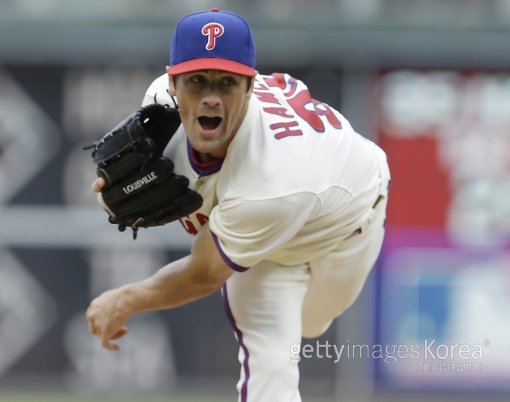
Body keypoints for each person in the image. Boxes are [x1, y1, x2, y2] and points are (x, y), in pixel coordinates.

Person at [86, 8, 390, 402]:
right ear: (172, 82)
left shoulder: (272, 180)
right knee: (271, 371)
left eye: (226, 83)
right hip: (266, 250)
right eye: (196, 81)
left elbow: (203, 274)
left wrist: (125, 299)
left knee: (313, 322)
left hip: (346, 224)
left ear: (250, 85)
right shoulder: (158, 108)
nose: (211, 98)